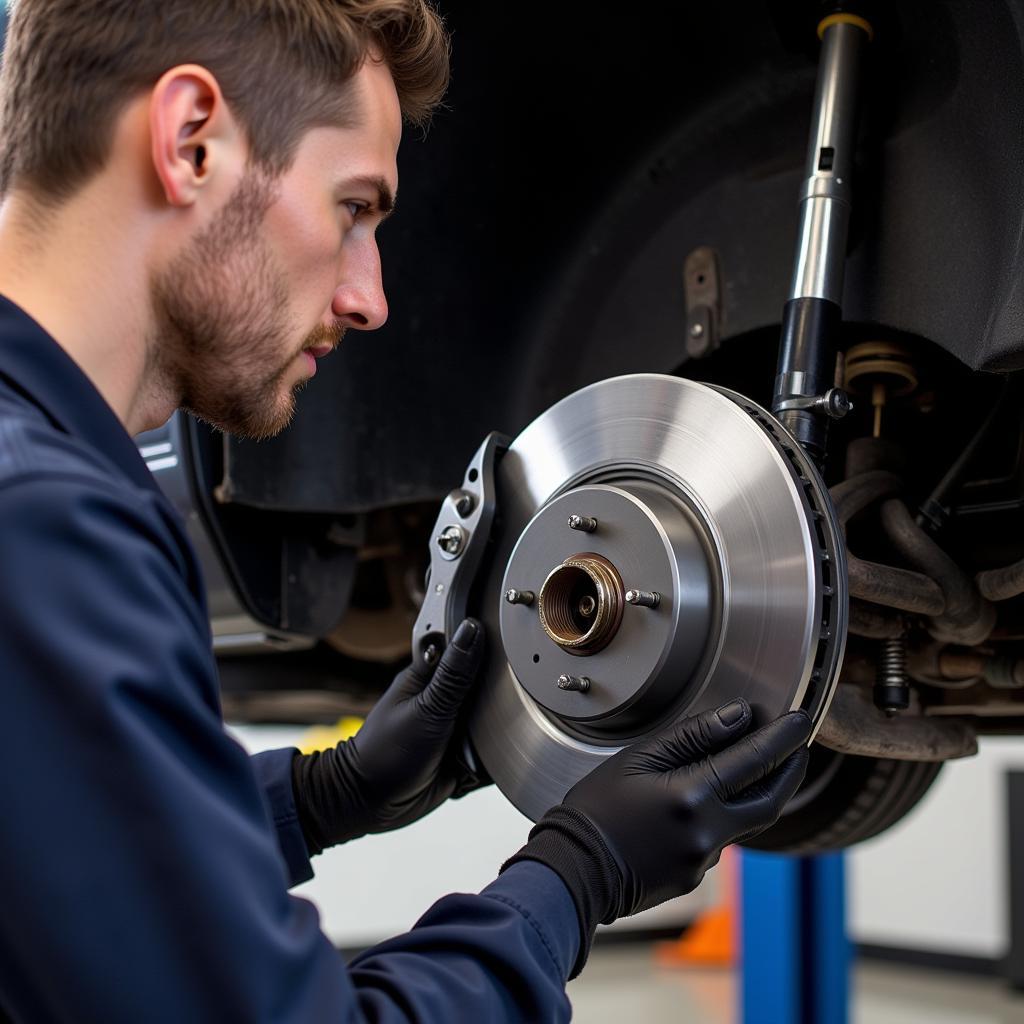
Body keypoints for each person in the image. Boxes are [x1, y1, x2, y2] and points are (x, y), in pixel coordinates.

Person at [0, 2, 813, 1021]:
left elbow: (63, 865)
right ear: (191, 140)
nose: (371, 297)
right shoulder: (43, 531)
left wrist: (321, 796)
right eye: (353, 209)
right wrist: (571, 878)